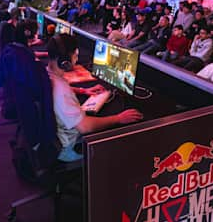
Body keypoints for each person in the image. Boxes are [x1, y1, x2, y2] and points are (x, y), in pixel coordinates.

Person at [47, 34, 143, 162]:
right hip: (68, 145)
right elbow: (85, 127)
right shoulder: (61, 91)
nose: (77, 58)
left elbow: (60, 90)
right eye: (75, 55)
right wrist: (119, 118)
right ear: (65, 61)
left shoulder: (49, 74)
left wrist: (83, 90)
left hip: (55, 133)